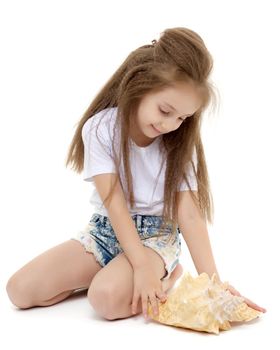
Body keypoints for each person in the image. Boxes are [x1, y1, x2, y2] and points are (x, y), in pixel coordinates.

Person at [6, 27, 266, 321]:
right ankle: (116, 274)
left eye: (182, 117)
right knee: (20, 290)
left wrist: (214, 285)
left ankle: (164, 278)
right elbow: (113, 200)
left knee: (105, 301)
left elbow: (190, 215)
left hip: (156, 238)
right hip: (105, 231)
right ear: (140, 85)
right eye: (165, 110)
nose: (171, 124)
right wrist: (137, 267)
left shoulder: (179, 145)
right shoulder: (102, 128)